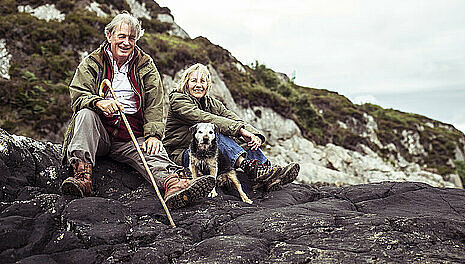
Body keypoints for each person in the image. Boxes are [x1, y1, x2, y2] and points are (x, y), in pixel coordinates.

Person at [60, 12, 214, 209]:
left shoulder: (145, 64)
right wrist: (99, 102)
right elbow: (78, 94)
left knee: (153, 151)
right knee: (85, 115)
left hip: (131, 136)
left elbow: (155, 102)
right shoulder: (93, 61)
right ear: (109, 36)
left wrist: (153, 135)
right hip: (100, 135)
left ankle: (173, 185)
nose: (126, 42)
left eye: (131, 38)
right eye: (121, 36)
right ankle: (82, 176)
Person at [163, 63, 300, 191]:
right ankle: (250, 168)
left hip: (208, 153)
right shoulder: (178, 100)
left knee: (245, 139)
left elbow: (232, 118)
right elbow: (205, 118)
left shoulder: (211, 103)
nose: (198, 85)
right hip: (184, 155)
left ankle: (268, 173)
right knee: (213, 133)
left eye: (202, 81)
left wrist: (253, 134)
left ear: (208, 84)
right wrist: (239, 130)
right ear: (186, 82)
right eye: (194, 81)